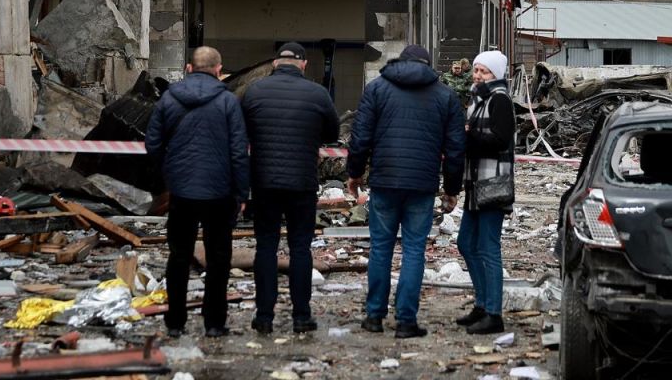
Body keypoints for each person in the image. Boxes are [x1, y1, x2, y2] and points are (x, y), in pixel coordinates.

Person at [347, 44, 466, 339]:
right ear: (428, 65)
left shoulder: (376, 89)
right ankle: (406, 322)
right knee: (413, 250)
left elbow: (360, 136)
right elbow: (455, 149)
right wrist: (451, 189)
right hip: (422, 185)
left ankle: (374, 316)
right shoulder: (445, 95)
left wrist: (354, 174)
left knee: (380, 248)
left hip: (384, 180)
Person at [145, 46, 249, 338]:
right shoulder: (228, 102)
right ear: (219, 70)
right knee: (218, 258)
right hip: (219, 193)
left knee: (178, 256)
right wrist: (241, 193)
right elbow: (239, 152)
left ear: (189, 68)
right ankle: (214, 323)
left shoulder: (168, 98)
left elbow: (152, 143)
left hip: (182, 193)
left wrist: (170, 174)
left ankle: (175, 322)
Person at [241, 43, 340, 335]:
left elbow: (242, 129)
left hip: (264, 182)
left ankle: (264, 317)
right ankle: (301, 316)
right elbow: (332, 133)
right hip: (301, 183)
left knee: (266, 246)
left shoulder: (255, 92)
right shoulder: (318, 94)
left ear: (274, 63)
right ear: (304, 64)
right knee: (300, 248)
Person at [456, 51, 515, 335]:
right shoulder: (478, 100)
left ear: (496, 74)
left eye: (484, 71)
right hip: (475, 185)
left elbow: (501, 140)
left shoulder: (500, 100)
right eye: (476, 69)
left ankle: (494, 313)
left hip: (492, 185)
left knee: (488, 248)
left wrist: (469, 136)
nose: (478, 75)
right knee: (466, 243)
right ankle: (482, 304)